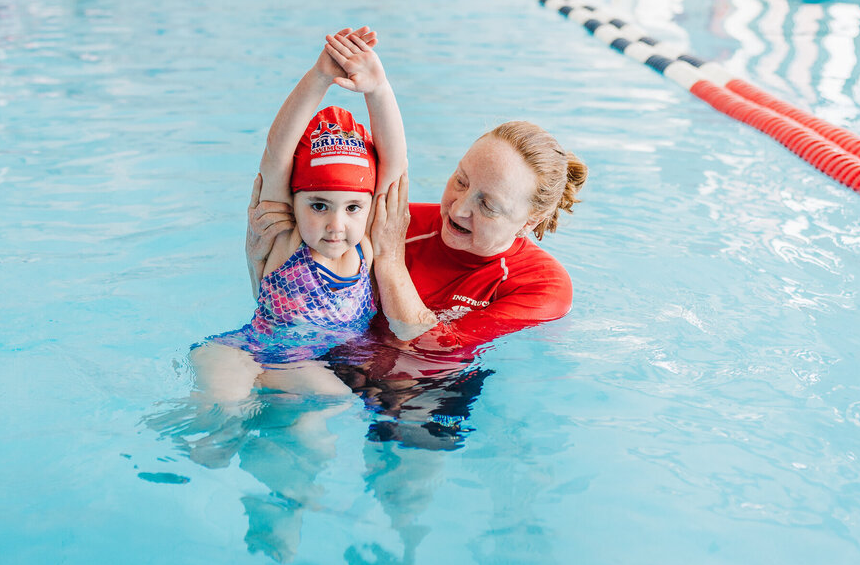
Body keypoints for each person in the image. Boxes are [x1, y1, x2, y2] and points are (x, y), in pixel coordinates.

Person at [248, 119, 588, 376]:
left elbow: (435, 349)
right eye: (460, 181)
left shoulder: (543, 285)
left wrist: (391, 259)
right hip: (330, 359)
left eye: (488, 206)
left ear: (530, 220)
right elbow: (295, 296)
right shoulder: (394, 221)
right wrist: (256, 256)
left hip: (429, 388)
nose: (458, 209)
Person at [191, 27, 408, 401]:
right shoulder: (286, 241)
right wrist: (320, 76)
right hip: (246, 355)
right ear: (294, 202)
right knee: (221, 424)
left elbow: (395, 170)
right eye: (318, 205)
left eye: (353, 207)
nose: (336, 225)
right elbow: (277, 153)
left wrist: (379, 89)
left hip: (302, 370)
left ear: (369, 206)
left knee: (313, 446)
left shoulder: (366, 249)